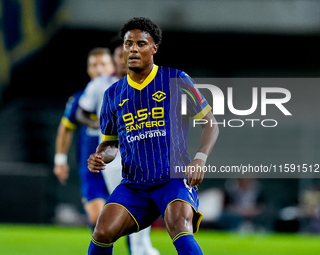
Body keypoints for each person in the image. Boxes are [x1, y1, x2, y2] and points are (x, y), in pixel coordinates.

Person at [87, 17, 219, 255]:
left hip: (173, 177)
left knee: (180, 226)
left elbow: (210, 124)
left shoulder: (176, 79)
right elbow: (110, 143)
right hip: (134, 184)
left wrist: (200, 158)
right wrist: (100, 156)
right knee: (102, 231)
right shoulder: (112, 94)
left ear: (154, 48)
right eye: (128, 44)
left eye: (141, 43)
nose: (133, 49)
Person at [77, 38, 160, 255]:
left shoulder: (147, 83)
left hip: (143, 154)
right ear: (114, 60)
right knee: (127, 205)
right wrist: (97, 122)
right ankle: (140, 249)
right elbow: (81, 112)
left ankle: (142, 248)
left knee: (142, 204)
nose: (124, 59)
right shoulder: (102, 85)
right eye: (119, 55)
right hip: (114, 156)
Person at [53, 47, 115, 229]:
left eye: (103, 64)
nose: (98, 69)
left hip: (120, 168)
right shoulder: (80, 100)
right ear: (88, 70)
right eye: (93, 65)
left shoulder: (124, 96)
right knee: (98, 220)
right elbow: (65, 128)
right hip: (93, 171)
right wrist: (60, 160)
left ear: (112, 67)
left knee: (129, 222)